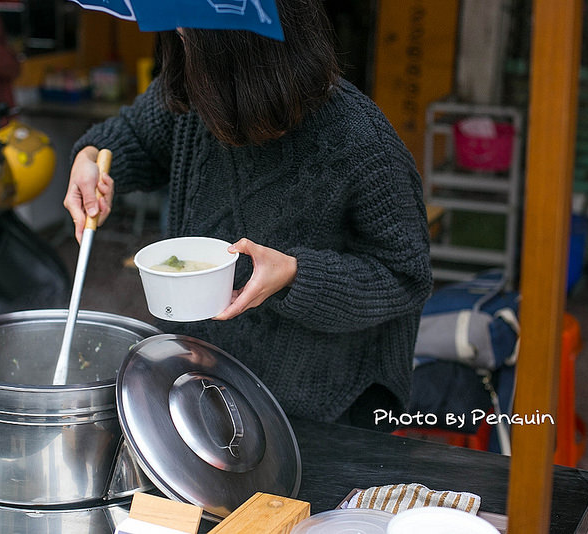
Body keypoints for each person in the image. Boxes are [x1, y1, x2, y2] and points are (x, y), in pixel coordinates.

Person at [64, 0, 432, 430]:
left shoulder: (362, 142)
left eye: (189, 32)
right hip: (206, 387)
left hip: (325, 411)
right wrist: (89, 159)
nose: (177, 36)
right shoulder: (193, 102)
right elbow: (131, 135)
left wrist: (296, 274)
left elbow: (405, 276)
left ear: (241, 47)